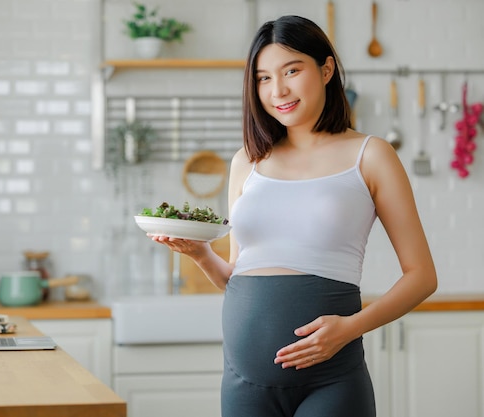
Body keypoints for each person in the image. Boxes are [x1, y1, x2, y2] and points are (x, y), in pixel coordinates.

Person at [149, 15, 437, 417]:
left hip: (331, 382)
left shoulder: (370, 156)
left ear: (326, 68)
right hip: (242, 382)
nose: (277, 90)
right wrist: (200, 254)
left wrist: (350, 328)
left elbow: (422, 276)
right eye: (263, 78)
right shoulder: (246, 162)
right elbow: (237, 274)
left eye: (291, 71)